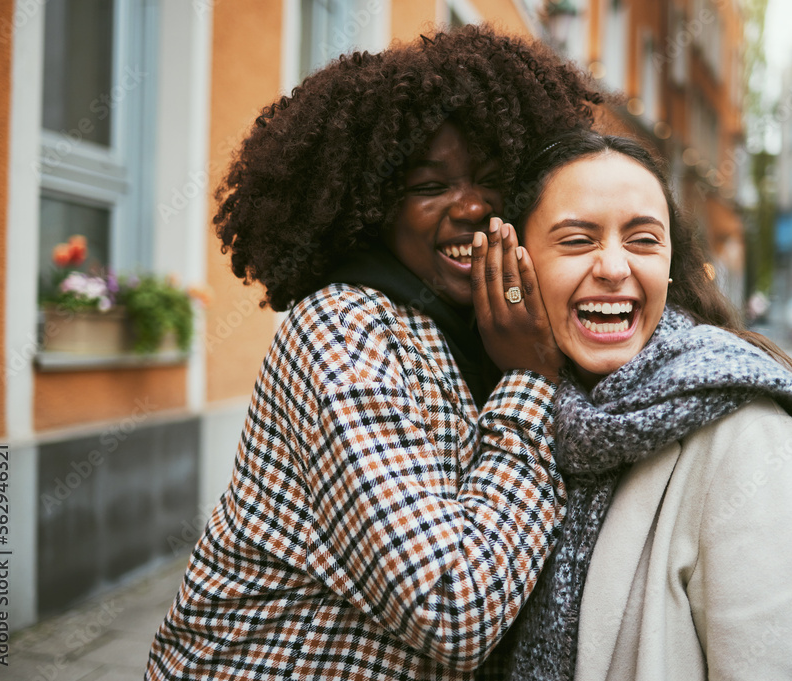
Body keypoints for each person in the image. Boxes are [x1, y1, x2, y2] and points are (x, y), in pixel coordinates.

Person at [145, 26, 602, 680]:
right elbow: (453, 608)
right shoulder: (347, 331)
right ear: (372, 208)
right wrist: (530, 380)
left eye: (492, 179)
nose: (471, 205)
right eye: (429, 185)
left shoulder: (484, 324)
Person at [478, 130, 792, 680]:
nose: (614, 267)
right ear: (516, 264)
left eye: (642, 240)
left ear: (669, 263)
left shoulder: (747, 434)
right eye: (576, 240)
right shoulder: (510, 413)